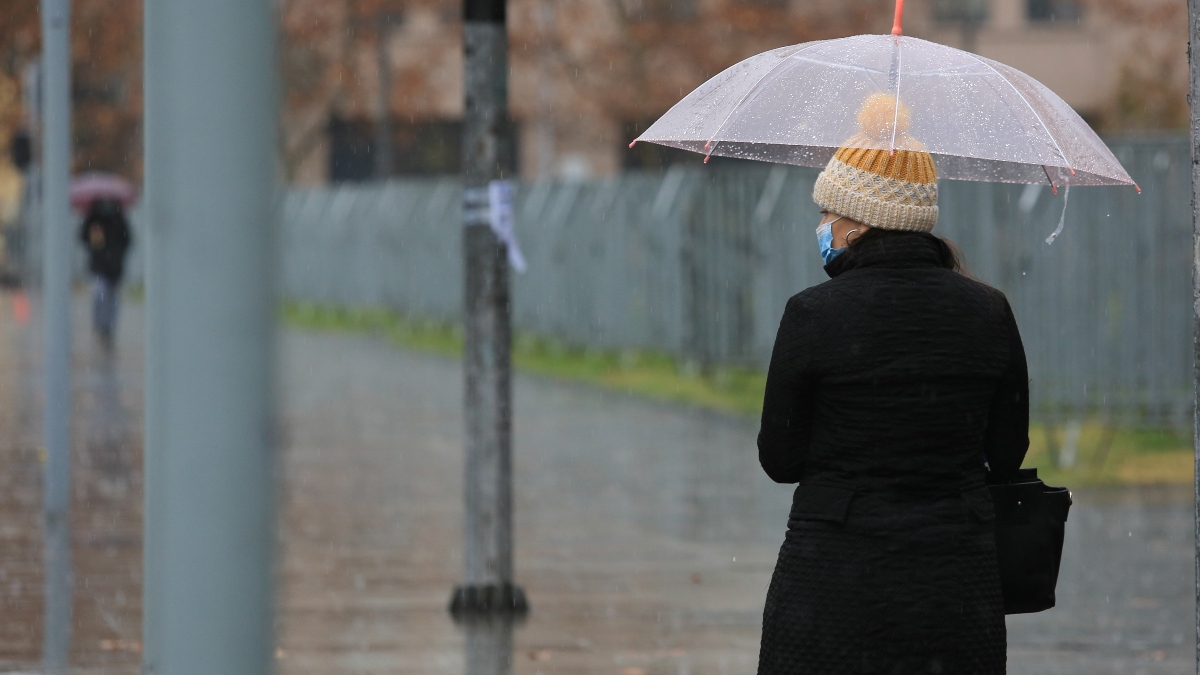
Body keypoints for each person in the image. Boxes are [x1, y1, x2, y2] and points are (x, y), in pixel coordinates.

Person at [756, 94, 1028, 675]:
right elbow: (1007, 454)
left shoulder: (813, 313)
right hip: (956, 584)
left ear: (858, 222)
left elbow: (780, 459)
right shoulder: (989, 310)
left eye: (828, 212)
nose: (822, 226)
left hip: (833, 580)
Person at [78, 198, 132, 345]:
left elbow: (127, 240)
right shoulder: (93, 219)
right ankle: (100, 325)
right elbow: (83, 238)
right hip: (98, 267)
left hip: (114, 268)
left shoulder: (119, 219)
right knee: (100, 296)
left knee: (112, 298)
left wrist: (115, 251)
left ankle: (109, 327)